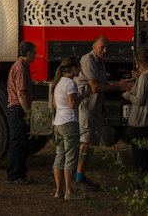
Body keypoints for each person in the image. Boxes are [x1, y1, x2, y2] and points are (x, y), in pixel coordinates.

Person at [75, 36, 133, 191]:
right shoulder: (88, 60)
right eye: (102, 47)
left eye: (107, 48)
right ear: (94, 47)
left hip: (94, 106)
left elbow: (102, 84)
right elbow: (95, 87)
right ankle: (78, 177)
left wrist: (120, 85)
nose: (105, 51)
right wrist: (119, 87)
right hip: (86, 106)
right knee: (85, 142)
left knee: (89, 142)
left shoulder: (99, 62)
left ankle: (80, 175)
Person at [52, 56, 92, 200]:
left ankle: (59, 190)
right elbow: (72, 104)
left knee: (59, 156)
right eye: (78, 67)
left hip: (58, 122)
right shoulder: (70, 84)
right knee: (70, 157)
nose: (80, 70)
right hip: (69, 122)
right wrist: (83, 95)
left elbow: (56, 105)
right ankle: (69, 191)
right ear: (73, 68)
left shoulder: (57, 83)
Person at [122, 49, 148, 180]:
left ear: (143, 62)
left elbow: (139, 99)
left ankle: (142, 187)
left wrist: (127, 95)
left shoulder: (145, 77)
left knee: (140, 158)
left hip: (142, 122)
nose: (137, 66)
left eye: (138, 63)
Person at [5, 41, 37, 184]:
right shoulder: (21, 68)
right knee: (18, 143)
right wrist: (28, 112)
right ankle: (14, 175)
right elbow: (21, 93)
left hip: (17, 109)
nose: (35, 55)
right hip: (18, 109)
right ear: (28, 53)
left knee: (22, 143)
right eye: (34, 52)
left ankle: (20, 173)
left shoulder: (21, 66)